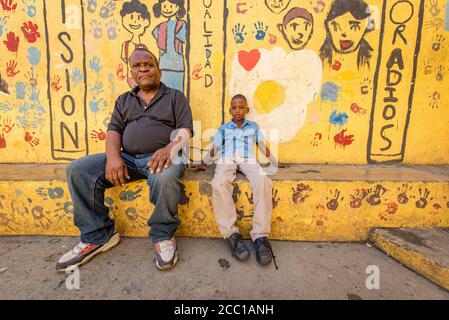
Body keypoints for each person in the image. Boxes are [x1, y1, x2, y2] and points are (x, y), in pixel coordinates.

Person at [56, 47, 193, 272]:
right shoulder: (124, 100)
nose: (143, 69)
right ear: (132, 72)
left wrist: (170, 147)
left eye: (148, 64)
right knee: (78, 170)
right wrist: (113, 158)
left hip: (163, 157)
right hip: (128, 159)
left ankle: (163, 236)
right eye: (137, 66)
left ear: (158, 69)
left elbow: (185, 130)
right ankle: (97, 235)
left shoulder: (175, 97)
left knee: (164, 176)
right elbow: (114, 131)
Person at [192, 94, 282, 268]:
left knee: (263, 181)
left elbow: (262, 147)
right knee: (219, 182)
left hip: (248, 158)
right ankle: (231, 234)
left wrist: (276, 163)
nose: (238, 110)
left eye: (241, 107)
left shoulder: (253, 127)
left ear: (247, 109)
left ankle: (260, 236)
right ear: (230, 110)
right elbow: (215, 149)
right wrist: (204, 163)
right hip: (227, 158)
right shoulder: (224, 129)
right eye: (234, 108)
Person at [319, 0, 374, 69]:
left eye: (354, 27)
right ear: (327, 27)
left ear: (366, 28)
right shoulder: (319, 60)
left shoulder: (371, 60)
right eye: (335, 26)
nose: (344, 34)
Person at [152, 0, 187, 92]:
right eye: (164, 7)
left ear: (178, 7)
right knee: (163, 94)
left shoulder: (182, 24)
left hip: (177, 65)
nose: (167, 9)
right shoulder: (160, 27)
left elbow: (183, 39)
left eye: (171, 6)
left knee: (178, 93)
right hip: (163, 66)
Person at [120, 0, 151, 88]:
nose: (134, 22)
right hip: (131, 77)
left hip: (142, 78)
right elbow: (125, 61)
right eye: (131, 18)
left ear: (146, 22)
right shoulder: (126, 45)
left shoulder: (144, 47)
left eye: (138, 18)